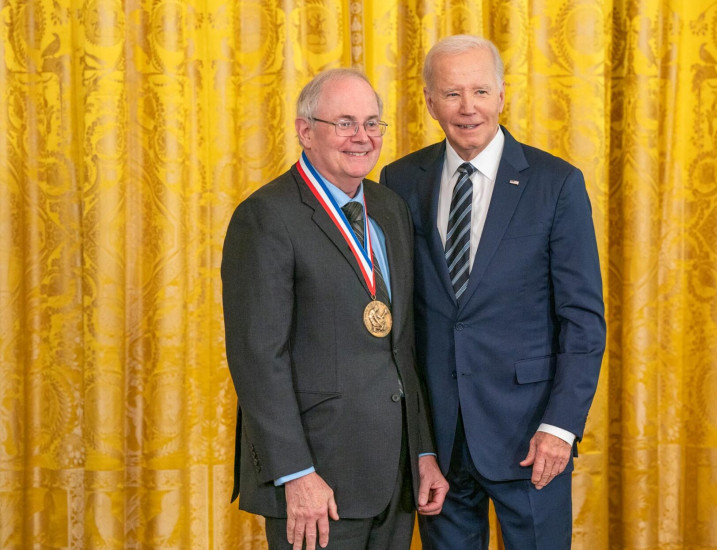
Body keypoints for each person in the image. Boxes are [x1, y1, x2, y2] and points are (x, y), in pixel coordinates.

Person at [379, 35, 606, 549]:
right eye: (452, 93)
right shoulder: (399, 180)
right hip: (440, 442)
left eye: (480, 91)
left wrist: (562, 427)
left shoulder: (556, 184)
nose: (468, 108)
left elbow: (583, 320)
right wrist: (417, 442)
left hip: (531, 436)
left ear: (502, 95)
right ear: (429, 100)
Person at [222, 68, 448, 550]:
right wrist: (296, 474)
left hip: (394, 478)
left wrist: (422, 450)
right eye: (345, 123)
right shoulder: (266, 216)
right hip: (317, 483)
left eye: (372, 123)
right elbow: (258, 359)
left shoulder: (389, 208)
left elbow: (401, 345)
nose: (362, 137)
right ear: (306, 131)